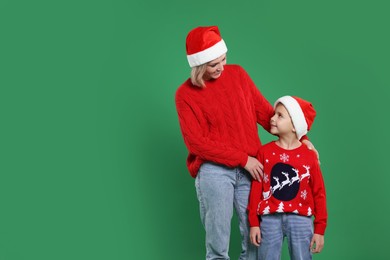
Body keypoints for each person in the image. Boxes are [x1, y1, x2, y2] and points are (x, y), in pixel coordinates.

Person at [175, 26, 316, 260]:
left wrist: (302, 139)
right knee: (218, 244)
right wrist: (243, 159)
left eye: (224, 59)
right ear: (199, 65)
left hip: (252, 169)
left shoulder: (238, 74)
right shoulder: (185, 95)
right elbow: (197, 144)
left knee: (257, 239)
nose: (222, 67)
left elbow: (266, 114)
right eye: (213, 64)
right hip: (214, 170)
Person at [247, 96, 327, 260]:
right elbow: (256, 189)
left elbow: (319, 192)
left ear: (294, 126)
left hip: (301, 219)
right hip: (269, 219)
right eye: (274, 114)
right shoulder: (264, 153)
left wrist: (319, 229)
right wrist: (254, 223)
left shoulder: (309, 156)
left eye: (280, 115)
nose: (272, 118)